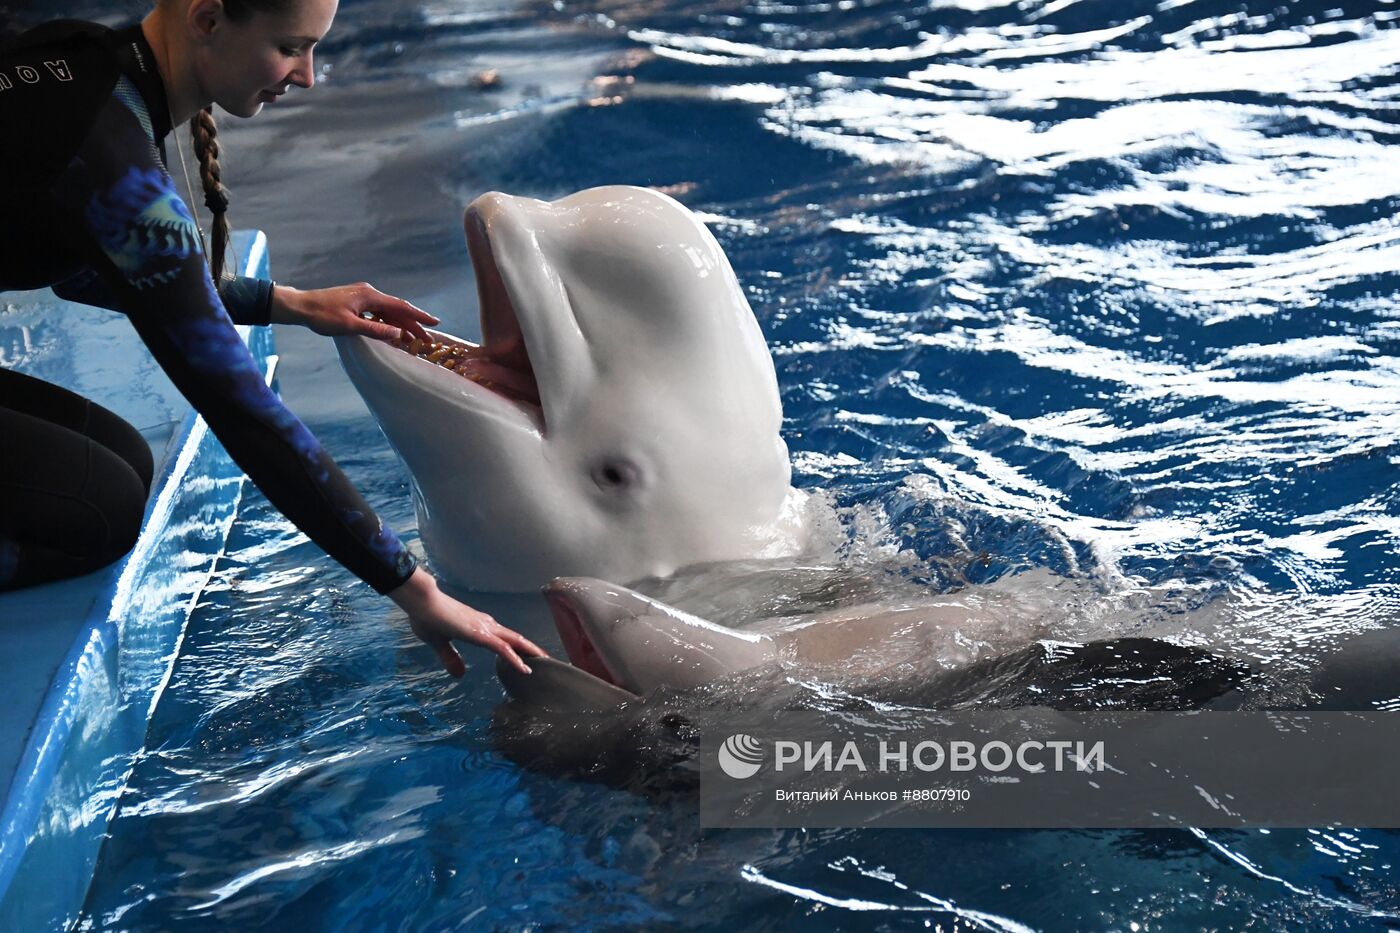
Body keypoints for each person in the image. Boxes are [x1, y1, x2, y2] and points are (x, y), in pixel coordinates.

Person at [0, 0, 545, 677]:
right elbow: (240, 406)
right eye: (290, 47)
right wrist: (414, 588)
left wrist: (289, 304)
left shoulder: (84, 62)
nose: (308, 75)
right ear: (207, 20)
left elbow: (83, 268)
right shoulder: (112, 156)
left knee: (122, 464)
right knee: (98, 511)